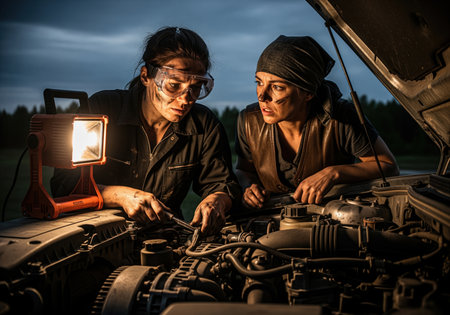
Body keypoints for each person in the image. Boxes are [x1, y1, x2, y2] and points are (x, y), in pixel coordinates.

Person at [51, 27, 241, 235]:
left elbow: (222, 184)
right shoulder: (102, 110)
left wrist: (217, 200)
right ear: (146, 76)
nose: (185, 99)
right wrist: (117, 196)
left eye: (195, 87)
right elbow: (64, 183)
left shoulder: (204, 125)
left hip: (165, 239)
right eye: (174, 85)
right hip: (93, 236)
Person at [235, 35, 399, 209]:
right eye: (259, 82)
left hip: (332, 219)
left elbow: (388, 166)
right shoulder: (248, 121)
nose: (261, 96)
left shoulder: (342, 118)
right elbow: (244, 170)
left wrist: (334, 173)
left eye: (277, 87)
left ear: (308, 93)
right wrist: (248, 187)